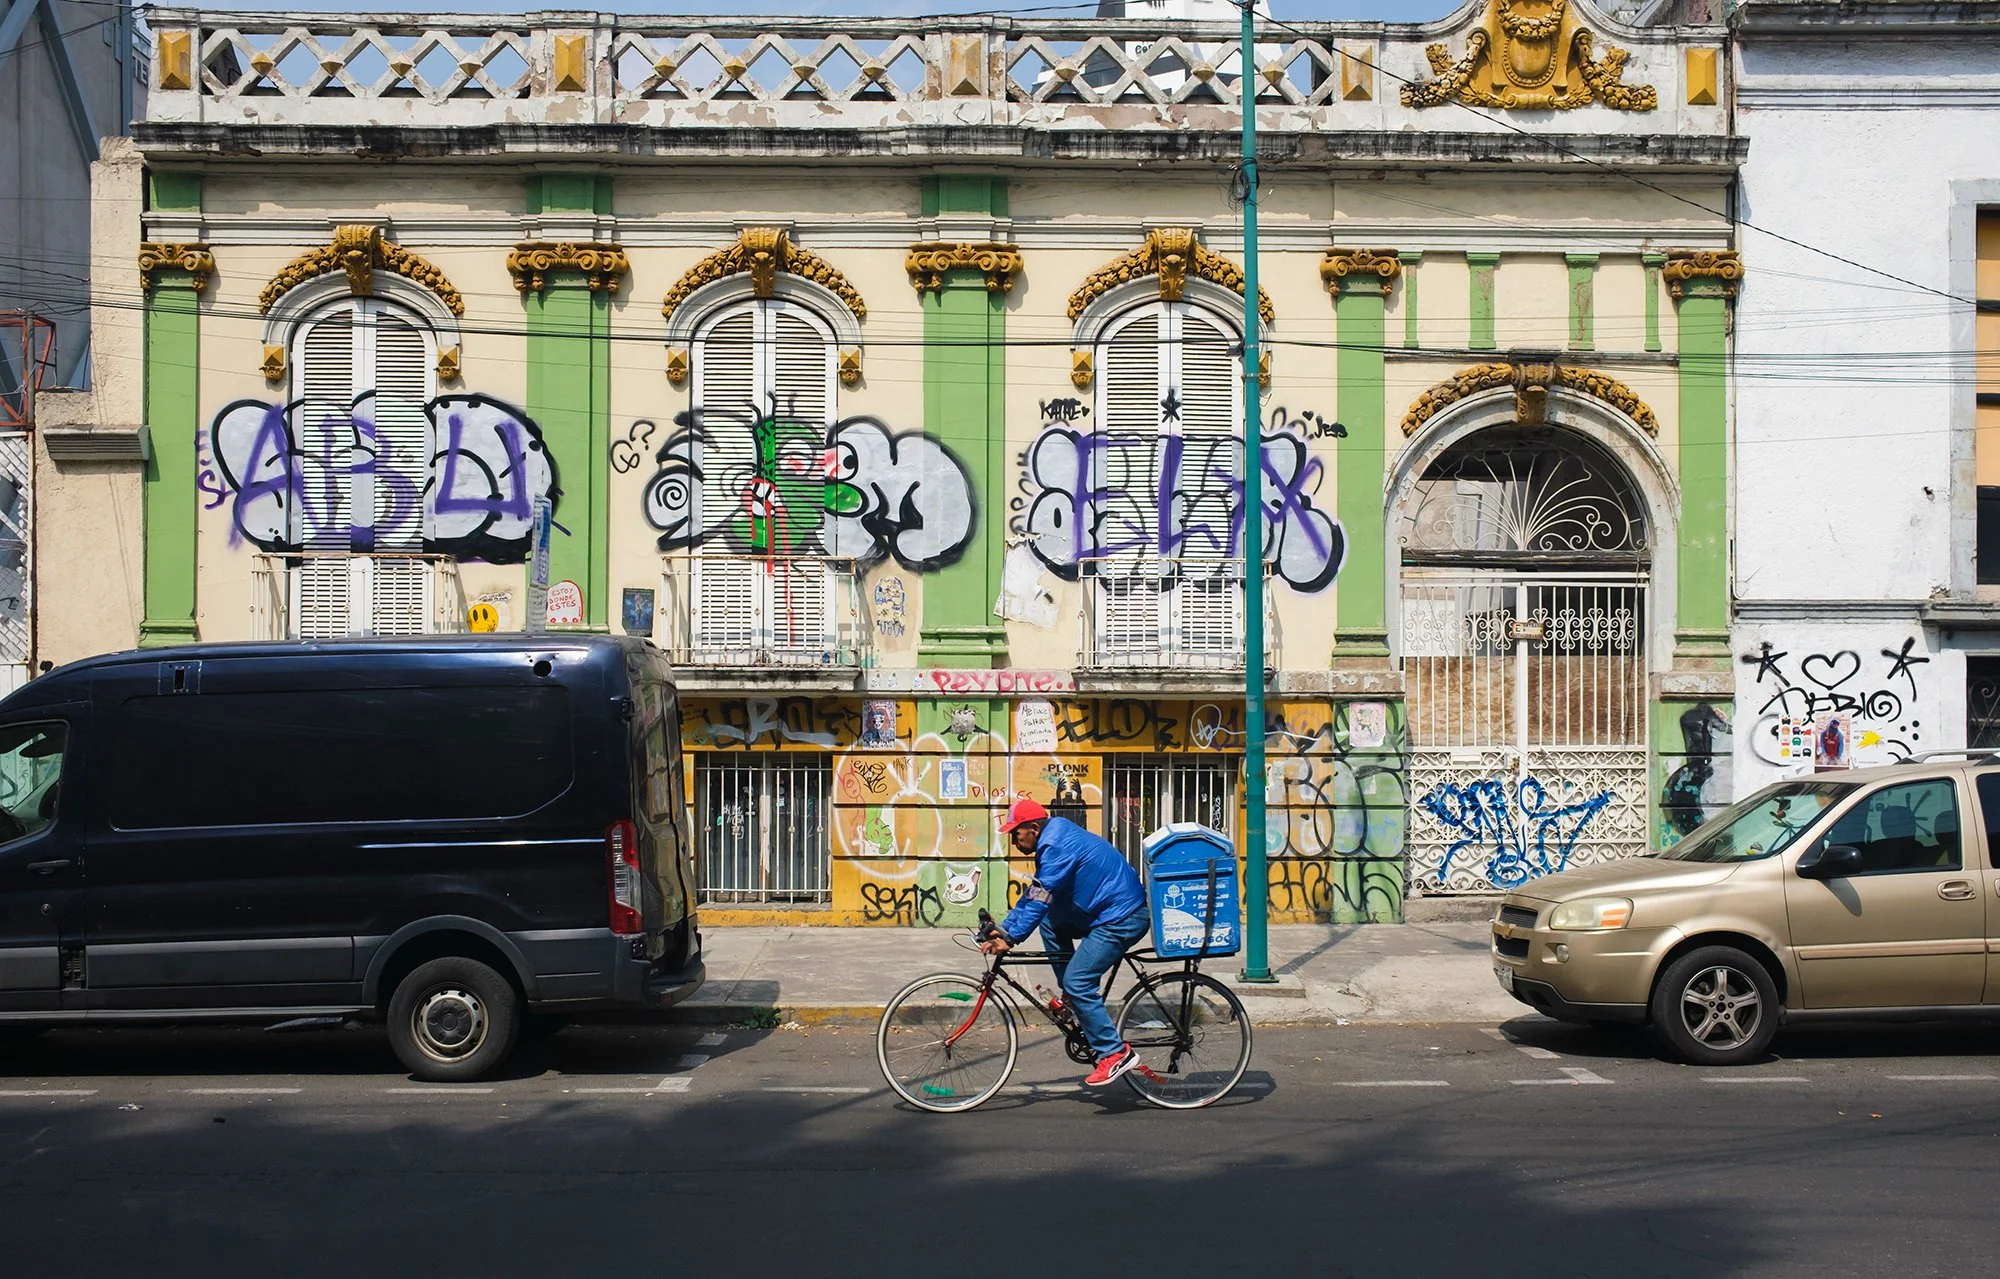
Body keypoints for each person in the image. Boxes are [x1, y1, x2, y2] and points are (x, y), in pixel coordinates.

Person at [980, 797, 1150, 1086]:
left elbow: (1042, 892)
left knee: (1078, 979)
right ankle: (1073, 999)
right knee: (1049, 920)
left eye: (1015, 833)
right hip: (1102, 910)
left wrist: (1011, 938)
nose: (1013, 841)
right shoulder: (1052, 837)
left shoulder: (1056, 845)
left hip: (1122, 917)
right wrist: (1006, 929)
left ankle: (1115, 1053)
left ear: (1033, 828)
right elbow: (1038, 893)